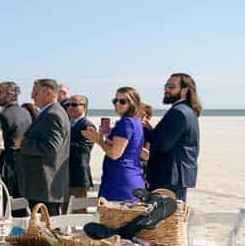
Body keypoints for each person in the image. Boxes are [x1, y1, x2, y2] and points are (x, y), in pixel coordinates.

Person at [13, 79, 70, 215]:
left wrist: (23, 143)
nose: (32, 97)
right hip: (43, 186)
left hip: (44, 185)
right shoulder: (51, 112)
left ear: (48, 94)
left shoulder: (52, 114)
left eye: (36, 93)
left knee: (46, 229)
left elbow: (52, 147)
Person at [143, 73, 201, 202]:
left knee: (164, 219)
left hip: (169, 176)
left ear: (184, 90)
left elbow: (162, 144)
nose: (166, 89)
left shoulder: (178, 111)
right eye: (165, 86)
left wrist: (144, 129)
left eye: (171, 86)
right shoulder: (187, 110)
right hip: (176, 176)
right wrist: (148, 129)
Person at [82, 87, 147, 202]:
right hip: (132, 177)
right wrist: (105, 138)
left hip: (120, 180)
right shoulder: (136, 122)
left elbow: (114, 154)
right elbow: (127, 148)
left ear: (133, 104)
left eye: (122, 101)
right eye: (115, 100)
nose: (117, 104)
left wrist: (99, 140)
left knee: (110, 218)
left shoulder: (126, 123)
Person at [0, 81, 31, 204]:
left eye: (0, 92)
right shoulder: (26, 113)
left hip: (8, 168)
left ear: (10, 95)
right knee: (20, 208)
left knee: (7, 208)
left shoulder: (4, 116)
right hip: (24, 166)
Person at [64, 95, 95, 212]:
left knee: (79, 212)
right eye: (68, 105)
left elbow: (84, 149)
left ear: (85, 107)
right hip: (66, 176)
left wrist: (61, 146)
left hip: (78, 177)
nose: (70, 107)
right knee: (65, 212)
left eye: (74, 105)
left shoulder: (87, 125)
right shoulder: (68, 124)